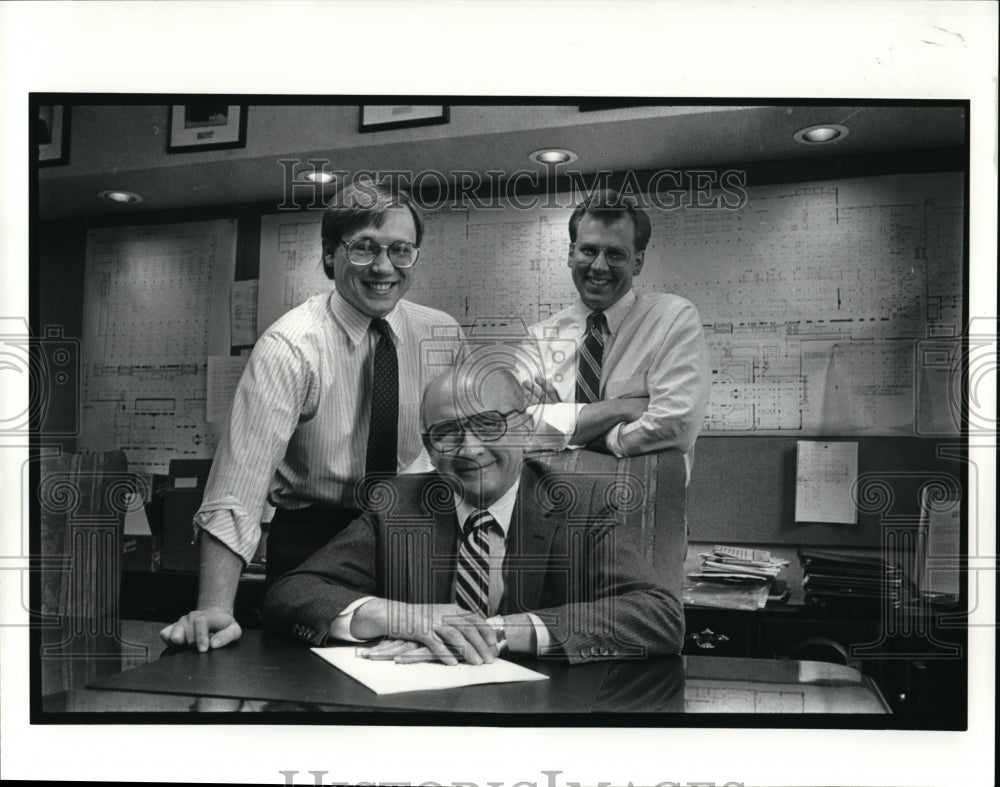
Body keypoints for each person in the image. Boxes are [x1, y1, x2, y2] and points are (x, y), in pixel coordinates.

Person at [160, 181, 462, 652]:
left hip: (412, 534)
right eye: (363, 248)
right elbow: (239, 484)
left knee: (420, 669)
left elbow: (467, 447)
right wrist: (217, 606)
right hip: (316, 539)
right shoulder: (291, 346)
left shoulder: (441, 333)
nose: (384, 267)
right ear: (329, 256)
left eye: (400, 250)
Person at [262, 363, 684, 664]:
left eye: (488, 425)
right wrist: (401, 617)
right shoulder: (399, 506)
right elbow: (290, 594)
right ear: (429, 449)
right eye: (447, 434)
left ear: (523, 429)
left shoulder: (581, 505)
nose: (469, 449)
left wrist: (497, 632)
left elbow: (658, 616)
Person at [521, 191, 710, 479]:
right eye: (588, 250)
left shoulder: (672, 320)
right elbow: (516, 429)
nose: (599, 265)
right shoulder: (538, 339)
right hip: (553, 513)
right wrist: (624, 408)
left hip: (644, 513)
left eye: (615, 254)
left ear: (637, 262)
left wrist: (569, 428)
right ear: (571, 254)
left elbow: (676, 424)